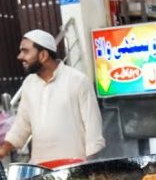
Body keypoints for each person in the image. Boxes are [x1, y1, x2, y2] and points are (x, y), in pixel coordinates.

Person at [0, 30, 105, 165]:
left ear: (43, 55)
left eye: (25, 51)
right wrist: (3, 150)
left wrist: (89, 168)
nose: (20, 56)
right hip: (40, 168)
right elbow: (22, 124)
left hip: (74, 167)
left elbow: (93, 130)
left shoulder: (77, 81)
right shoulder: (29, 84)